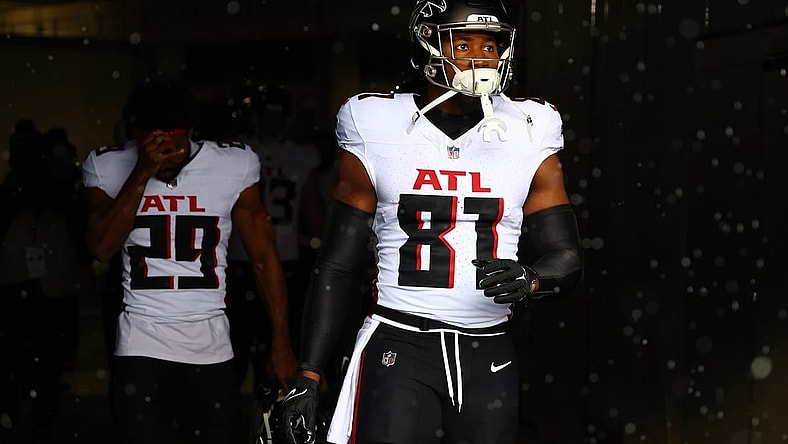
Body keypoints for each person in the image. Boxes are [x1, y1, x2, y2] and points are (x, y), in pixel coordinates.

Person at [277, 1, 584, 443]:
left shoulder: (530, 127)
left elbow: (568, 255)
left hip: (489, 345)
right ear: (429, 44)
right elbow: (337, 263)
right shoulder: (376, 122)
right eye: (463, 44)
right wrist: (309, 372)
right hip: (400, 339)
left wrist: (533, 280)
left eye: (490, 45)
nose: (480, 59)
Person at [81, 80, 298, 444]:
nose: (165, 155)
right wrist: (142, 172)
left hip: (210, 349)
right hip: (140, 347)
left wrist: (281, 344)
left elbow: (263, 259)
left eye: (174, 146)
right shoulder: (107, 165)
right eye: (155, 146)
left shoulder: (233, 165)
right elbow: (101, 247)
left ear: (192, 132)